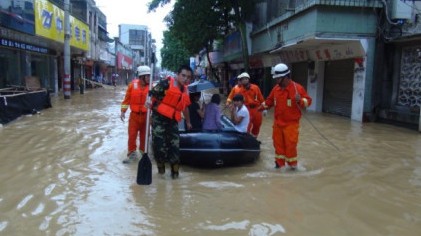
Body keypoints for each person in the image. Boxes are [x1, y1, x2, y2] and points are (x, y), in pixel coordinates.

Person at [260, 63, 312, 170]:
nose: (276, 81)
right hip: (278, 124)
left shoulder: (297, 88)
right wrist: (261, 108)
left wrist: (301, 100)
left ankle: (292, 167)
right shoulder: (276, 89)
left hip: (291, 125)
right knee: (278, 146)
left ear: (286, 77)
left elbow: (308, 101)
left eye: (278, 78)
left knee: (290, 147)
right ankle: (279, 165)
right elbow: (269, 102)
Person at [149, 65, 193, 179]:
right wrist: (150, 117)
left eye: (188, 77)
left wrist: (188, 122)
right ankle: (161, 173)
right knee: (159, 148)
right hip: (159, 119)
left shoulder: (186, 91)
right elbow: (151, 97)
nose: (185, 79)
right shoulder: (166, 84)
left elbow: (185, 107)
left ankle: (175, 176)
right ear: (178, 75)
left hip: (172, 120)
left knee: (175, 148)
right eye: (183, 76)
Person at [120, 66, 151, 164]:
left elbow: (156, 102)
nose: (149, 78)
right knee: (132, 135)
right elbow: (126, 99)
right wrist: (123, 111)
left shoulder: (151, 88)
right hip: (134, 116)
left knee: (144, 136)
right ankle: (132, 154)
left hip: (146, 116)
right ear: (142, 77)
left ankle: (143, 154)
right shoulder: (132, 86)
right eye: (147, 76)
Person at [226, 72, 265, 138]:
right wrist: (231, 106)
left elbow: (261, 98)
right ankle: (247, 139)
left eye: (246, 79)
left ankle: (254, 139)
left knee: (257, 124)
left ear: (248, 79)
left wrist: (264, 108)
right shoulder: (238, 90)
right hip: (247, 109)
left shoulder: (255, 88)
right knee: (247, 126)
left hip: (256, 109)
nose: (244, 80)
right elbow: (233, 99)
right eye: (242, 79)